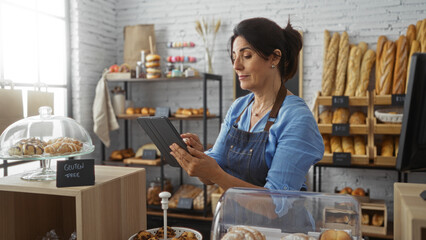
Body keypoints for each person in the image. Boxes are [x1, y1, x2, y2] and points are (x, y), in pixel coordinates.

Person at [169, 17, 324, 194]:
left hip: (279, 222)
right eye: (234, 58)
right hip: (238, 220)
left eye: (247, 56)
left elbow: (276, 204)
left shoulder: (297, 118)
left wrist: (217, 174)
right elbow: (210, 175)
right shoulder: (239, 108)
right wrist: (198, 157)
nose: (236, 66)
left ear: (274, 58)